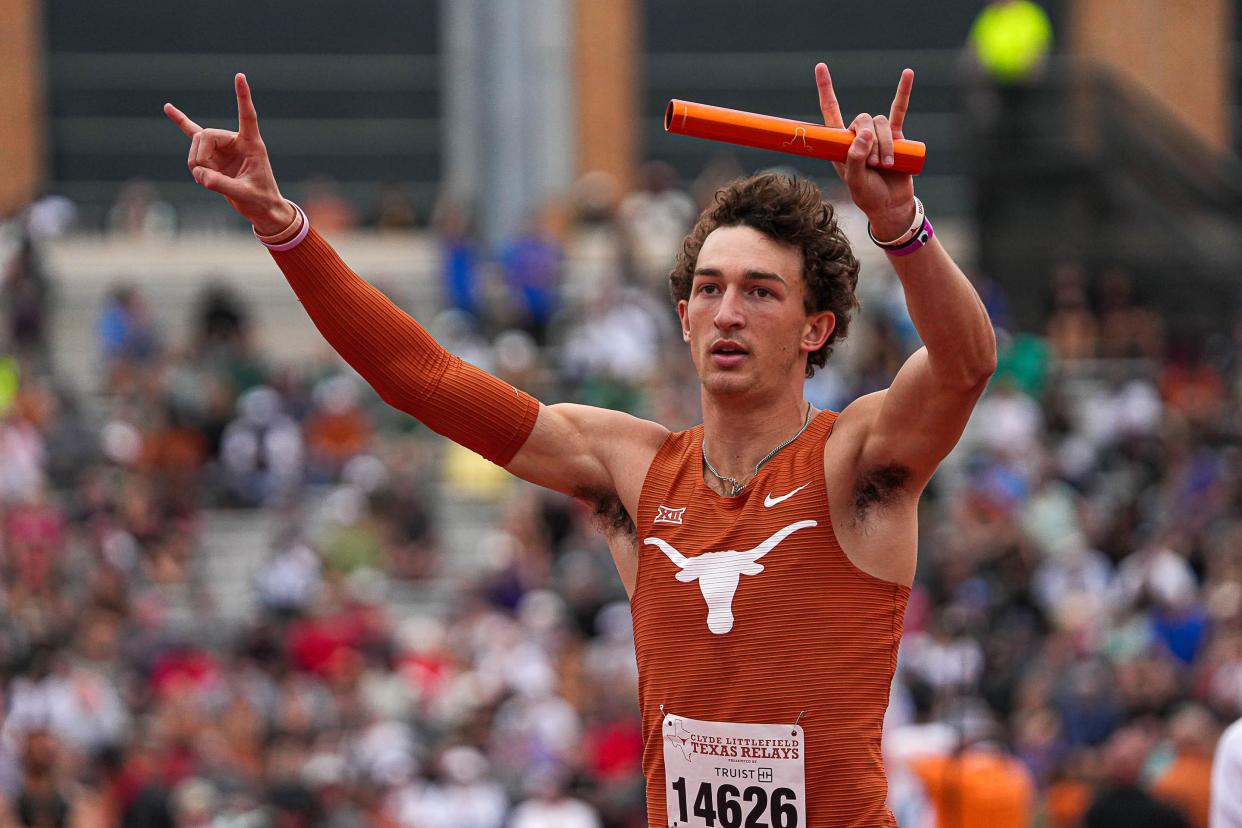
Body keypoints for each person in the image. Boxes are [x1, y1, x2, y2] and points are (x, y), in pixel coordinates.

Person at [164, 63, 996, 827]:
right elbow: (422, 377)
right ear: (682, 318)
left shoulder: (854, 463)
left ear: (817, 327)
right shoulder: (628, 468)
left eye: (760, 292)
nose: (728, 312)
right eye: (708, 289)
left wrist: (898, 221)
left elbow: (963, 367)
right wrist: (284, 228)